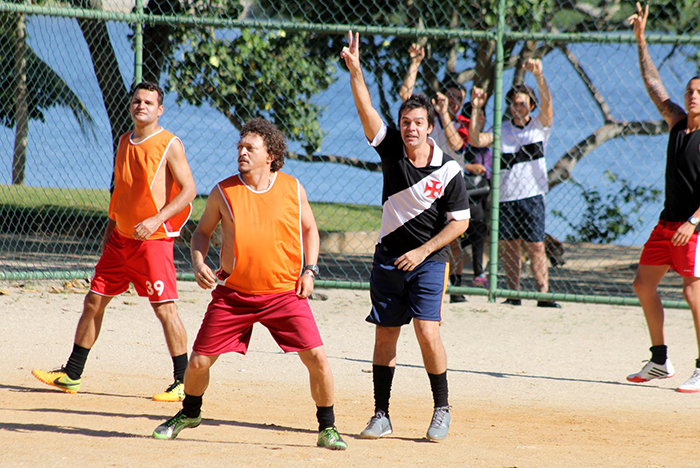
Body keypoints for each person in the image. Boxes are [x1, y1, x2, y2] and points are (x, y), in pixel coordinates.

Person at [152, 118, 347, 450]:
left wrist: (310, 271)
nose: (241, 152)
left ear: (269, 155)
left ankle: (327, 427)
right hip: (234, 295)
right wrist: (199, 261)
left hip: (285, 293)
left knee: (317, 357)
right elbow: (201, 233)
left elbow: (311, 230)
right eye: (239, 147)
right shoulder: (223, 191)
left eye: (249, 148)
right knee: (198, 362)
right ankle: (189, 413)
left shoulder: (292, 189)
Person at [32, 81, 196, 401]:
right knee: (93, 301)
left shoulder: (169, 143)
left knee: (165, 309)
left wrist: (156, 219)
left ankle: (183, 382)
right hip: (120, 241)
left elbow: (189, 190)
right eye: (137, 101)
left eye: (149, 102)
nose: (141, 106)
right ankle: (71, 374)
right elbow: (120, 191)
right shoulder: (124, 141)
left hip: (154, 241)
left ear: (159, 109)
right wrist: (110, 231)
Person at [342, 31, 470, 441]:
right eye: (405, 123)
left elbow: (460, 223)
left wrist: (423, 251)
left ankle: (442, 409)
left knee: (427, 331)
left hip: (429, 260)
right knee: (385, 335)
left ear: (430, 128)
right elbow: (366, 111)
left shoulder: (449, 169)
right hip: (387, 259)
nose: (410, 129)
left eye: (418, 123)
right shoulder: (391, 148)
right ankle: (381, 414)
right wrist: (356, 71)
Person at [625, 3, 700, 393]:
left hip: (694, 228)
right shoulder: (676, 123)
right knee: (642, 284)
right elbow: (653, 83)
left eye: (699, 93)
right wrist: (641, 39)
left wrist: (693, 222)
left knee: (693, 292)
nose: (692, 97)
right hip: (667, 223)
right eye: (689, 91)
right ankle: (659, 360)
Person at [469, 61, 560, 308]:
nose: (517, 107)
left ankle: (543, 295)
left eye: (522, 103)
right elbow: (476, 138)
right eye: (513, 103)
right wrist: (477, 108)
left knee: (536, 246)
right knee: (509, 247)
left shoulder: (539, 126)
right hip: (506, 198)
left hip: (532, 196)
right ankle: (514, 294)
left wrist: (539, 75)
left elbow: (548, 105)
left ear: (531, 105)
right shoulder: (502, 129)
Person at [399, 42, 472, 302]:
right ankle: (432, 293)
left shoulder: (462, 122)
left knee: (453, 238)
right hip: (423, 181)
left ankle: (455, 287)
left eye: (458, 99)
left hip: (450, 184)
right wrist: (415, 63)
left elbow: (456, 144)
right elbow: (405, 96)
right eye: (449, 97)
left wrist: (445, 114)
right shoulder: (424, 119)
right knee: (424, 236)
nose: (453, 102)